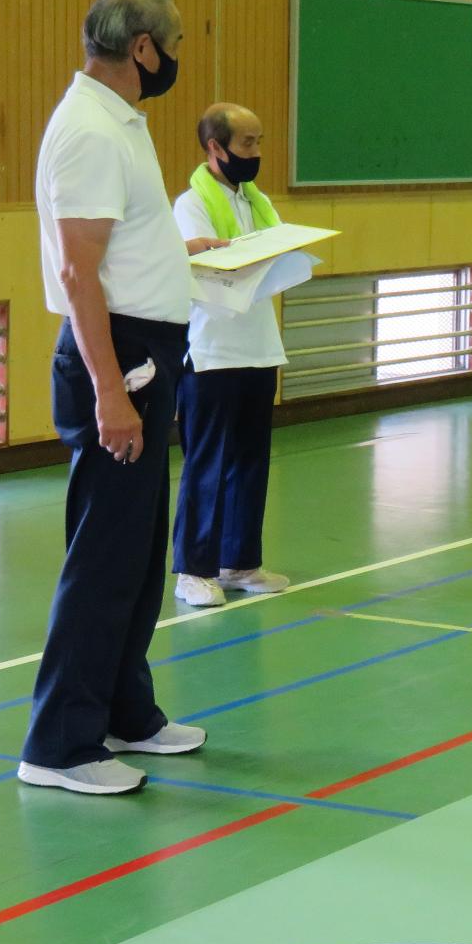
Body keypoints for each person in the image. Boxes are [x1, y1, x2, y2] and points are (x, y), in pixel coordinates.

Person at [21, 0, 205, 796]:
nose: (172, 60)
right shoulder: (91, 131)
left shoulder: (122, 123)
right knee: (102, 559)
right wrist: (109, 392)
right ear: (143, 48)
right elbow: (78, 272)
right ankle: (59, 743)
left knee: (136, 554)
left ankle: (126, 710)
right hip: (118, 360)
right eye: (171, 45)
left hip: (147, 352)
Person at [170, 103, 292, 608]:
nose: (256, 153)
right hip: (213, 351)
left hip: (258, 347)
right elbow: (190, 266)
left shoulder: (256, 202)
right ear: (215, 148)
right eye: (247, 143)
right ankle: (192, 569)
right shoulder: (189, 205)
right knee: (208, 463)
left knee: (250, 461)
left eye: (260, 142)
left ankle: (239, 561)